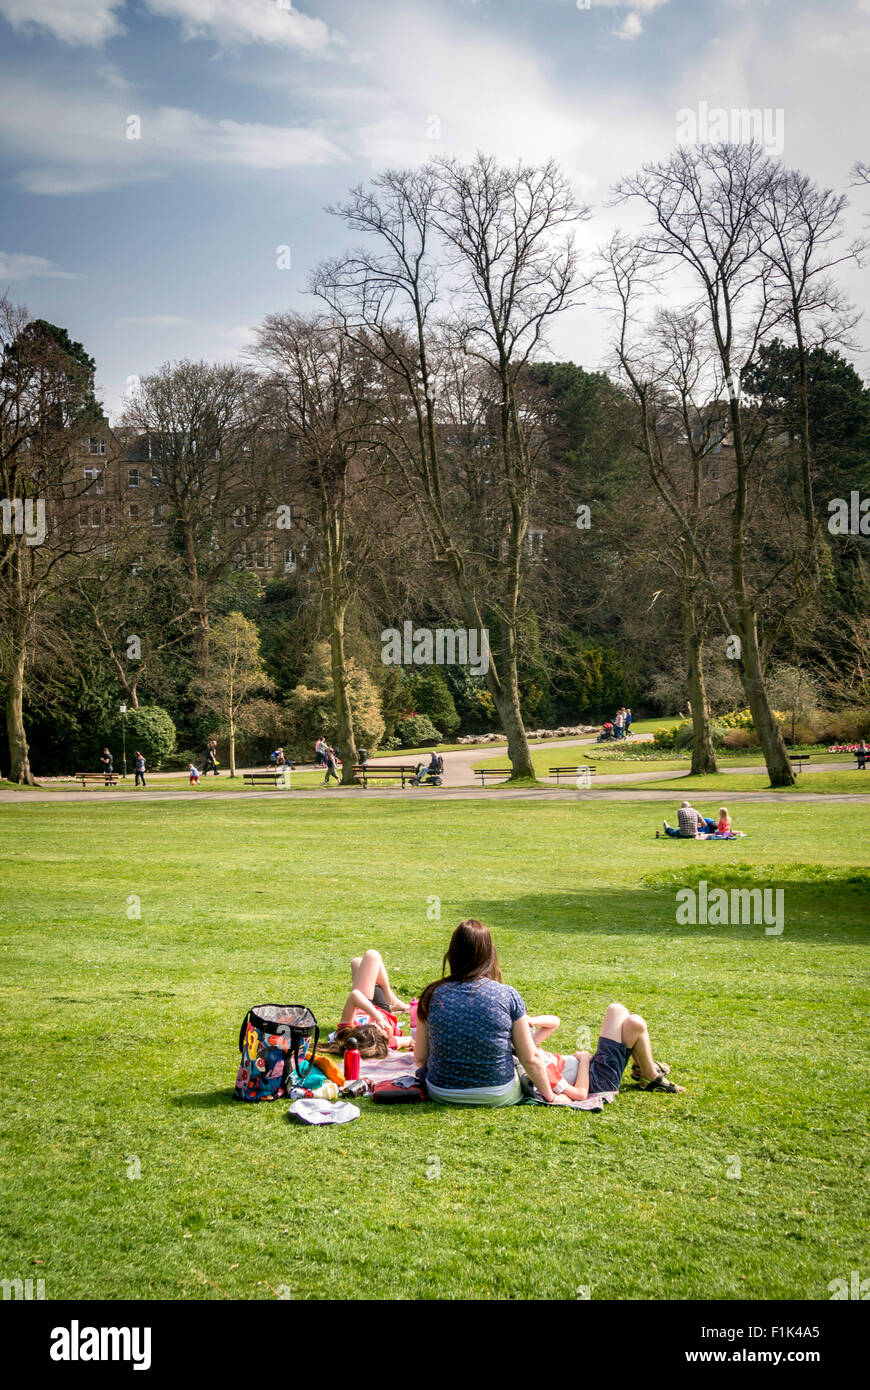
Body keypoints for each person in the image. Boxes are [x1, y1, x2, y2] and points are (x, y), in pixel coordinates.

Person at [414, 919, 567, 1107]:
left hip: (441, 1091)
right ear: (489, 954)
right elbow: (529, 1057)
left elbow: (421, 1058)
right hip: (497, 1092)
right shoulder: (507, 994)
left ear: (452, 954)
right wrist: (550, 1096)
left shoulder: (431, 995)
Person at [525, 1009, 684, 1098]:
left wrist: (530, 1020)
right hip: (599, 1080)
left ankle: (642, 1069)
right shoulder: (535, 1064)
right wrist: (585, 1060)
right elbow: (580, 1094)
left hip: (594, 1068)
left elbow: (554, 1022)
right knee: (634, 1023)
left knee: (622, 1014)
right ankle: (649, 1075)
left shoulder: (527, 1047)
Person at [320, 950, 413, 1061]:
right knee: (371, 956)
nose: (380, 1025)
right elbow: (411, 1040)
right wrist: (414, 1044)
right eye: (382, 1030)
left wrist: (379, 1019)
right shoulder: (389, 1041)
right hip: (382, 1008)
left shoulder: (346, 1032)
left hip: (362, 1004)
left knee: (358, 963)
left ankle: (391, 1000)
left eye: (375, 1025)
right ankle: (391, 1000)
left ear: (358, 1030)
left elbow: (355, 996)